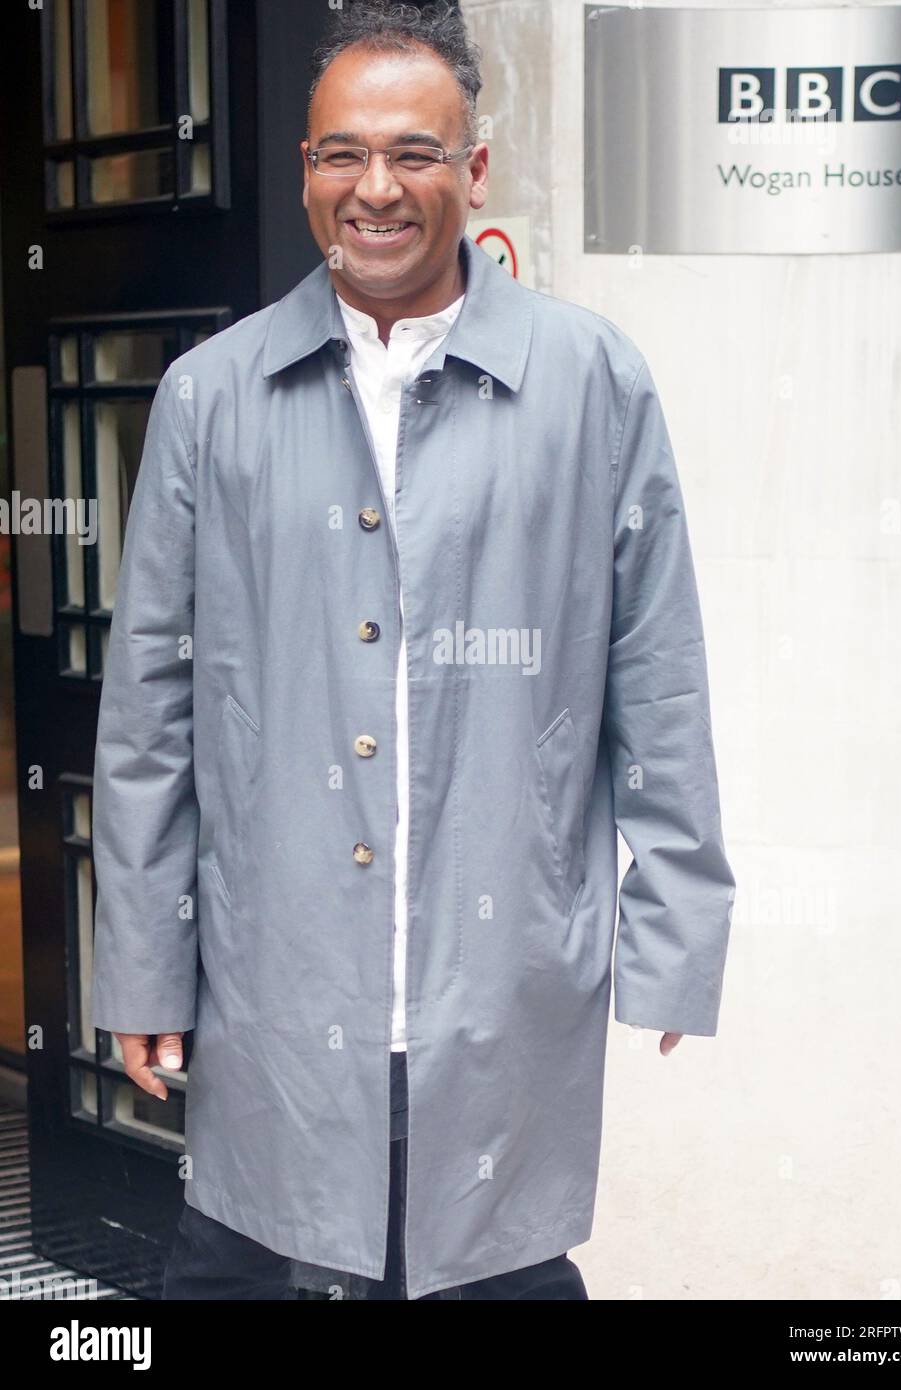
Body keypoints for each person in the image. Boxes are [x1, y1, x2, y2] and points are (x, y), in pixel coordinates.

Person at [91, 0, 735, 1301]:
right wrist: (144, 960)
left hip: (496, 999)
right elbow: (150, 707)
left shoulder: (592, 384)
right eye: (342, 153)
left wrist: (673, 927)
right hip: (277, 998)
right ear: (308, 170)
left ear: (472, 169)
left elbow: (655, 674)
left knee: (497, 1265)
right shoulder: (210, 397)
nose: (374, 187)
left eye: (414, 152)